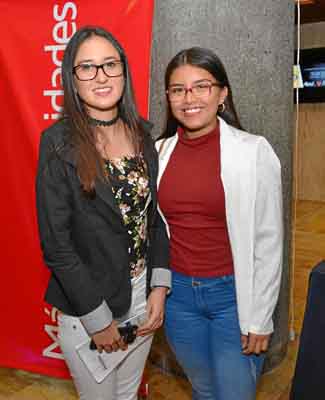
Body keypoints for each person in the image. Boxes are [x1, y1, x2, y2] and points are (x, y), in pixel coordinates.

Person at [36, 26, 170, 400]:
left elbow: (153, 217)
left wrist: (159, 286)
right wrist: (97, 319)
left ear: (124, 72)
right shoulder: (58, 142)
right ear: (71, 78)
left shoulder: (142, 133)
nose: (101, 76)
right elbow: (56, 244)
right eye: (87, 67)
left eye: (110, 65)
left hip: (142, 297)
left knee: (127, 396)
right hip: (90, 307)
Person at [156, 47, 283, 400]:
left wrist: (260, 318)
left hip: (234, 298)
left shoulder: (254, 151)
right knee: (205, 388)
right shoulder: (159, 153)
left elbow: (269, 241)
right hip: (178, 298)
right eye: (178, 90)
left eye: (202, 86)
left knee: (234, 393)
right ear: (168, 98)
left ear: (222, 93)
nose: (189, 98)